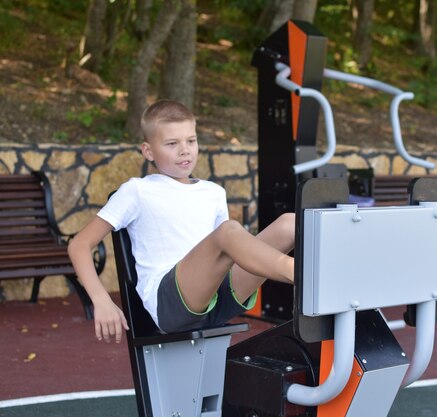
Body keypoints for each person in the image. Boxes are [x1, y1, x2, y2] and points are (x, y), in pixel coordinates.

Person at [68, 99, 295, 343]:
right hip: (171, 306)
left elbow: (225, 255)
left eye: (191, 140)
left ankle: (323, 272)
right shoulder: (138, 191)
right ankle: (303, 276)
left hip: (216, 297)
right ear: (148, 151)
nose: (185, 150)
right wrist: (101, 300)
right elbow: (79, 245)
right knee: (228, 231)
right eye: (172, 144)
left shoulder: (213, 192)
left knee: (289, 224)